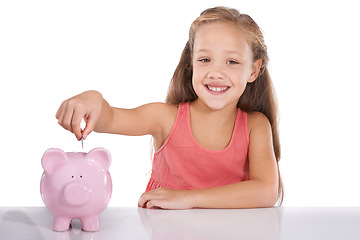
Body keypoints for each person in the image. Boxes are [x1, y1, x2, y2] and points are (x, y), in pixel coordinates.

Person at [56, 6, 283, 209]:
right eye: (205, 60)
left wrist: (188, 199)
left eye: (232, 62)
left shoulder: (255, 126)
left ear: (253, 70)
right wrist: (93, 99)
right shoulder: (164, 118)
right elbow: (111, 118)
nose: (216, 72)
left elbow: (265, 192)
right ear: (191, 62)